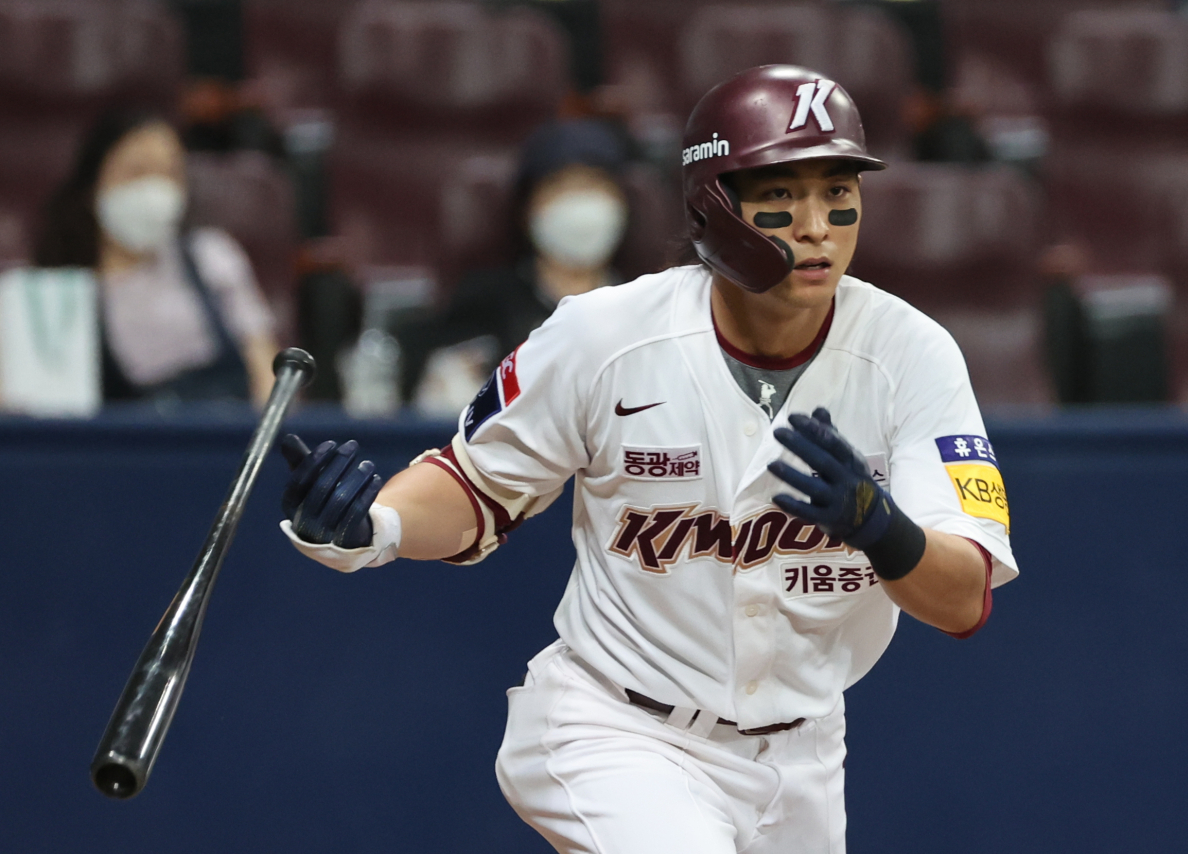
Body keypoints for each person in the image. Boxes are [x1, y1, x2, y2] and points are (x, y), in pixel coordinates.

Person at [278, 65, 1018, 853]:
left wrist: (883, 530)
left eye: (839, 191)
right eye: (783, 194)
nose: (817, 225)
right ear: (715, 206)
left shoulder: (912, 355)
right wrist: (378, 525)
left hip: (803, 754)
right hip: (616, 727)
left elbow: (964, 598)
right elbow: (477, 486)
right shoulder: (603, 335)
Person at [29, 110, 279, 405]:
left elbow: (266, 371)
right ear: (93, 184)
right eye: (137, 172)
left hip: (232, 436)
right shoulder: (62, 295)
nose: (154, 190)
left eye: (169, 173)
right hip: (135, 445)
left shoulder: (212, 254)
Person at [401, 119, 630, 412]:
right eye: (561, 187)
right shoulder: (481, 306)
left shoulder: (644, 306)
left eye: (595, 186)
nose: (581, 206)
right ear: (528, 207)